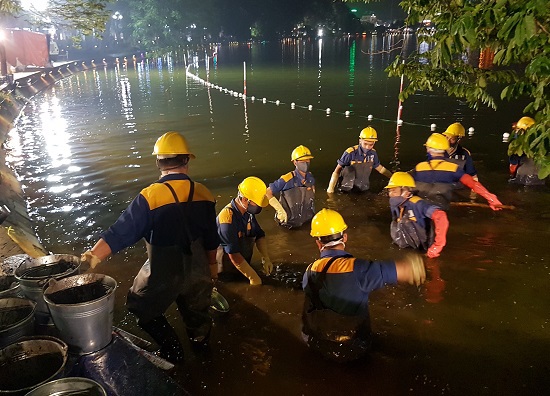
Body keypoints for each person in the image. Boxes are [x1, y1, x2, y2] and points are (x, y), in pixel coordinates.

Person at [81, 131, 219, 364]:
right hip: (198, 269)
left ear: (158, 162)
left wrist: (93, 256)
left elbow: (120, 233)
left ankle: (173, 351)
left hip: (164, 272)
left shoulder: (149, 197)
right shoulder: (204, 193)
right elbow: (211, 238)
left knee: (140, 306)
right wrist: (213, 266)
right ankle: (202, 348)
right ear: (186, 160)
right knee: (197, 312)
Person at [301, 208, 426, 363]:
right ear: (344, 237)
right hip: (353, 348)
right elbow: (405, 270)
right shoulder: (359, 269)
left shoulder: (309, 271)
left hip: (318, 344)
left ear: (318, 243)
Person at [411, 133, 503, 211]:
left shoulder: (419, 167)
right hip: (441, 208)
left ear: (428, 149)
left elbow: (404, 182)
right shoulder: (453, 168)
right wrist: (491, 198)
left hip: (419, 209)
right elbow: (473, 183)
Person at [217, 176, 274, 285]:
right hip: (226, 274)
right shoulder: (227, 219)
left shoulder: (248, 213)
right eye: (256, 203)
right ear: (245, 199)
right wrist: (253, 278)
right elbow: (233, 254)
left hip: (242, 266)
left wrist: (265, 258)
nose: (259, 206)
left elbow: (259, 235)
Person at [385, 172, 449, 258]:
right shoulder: (396, 205)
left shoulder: (417, 204)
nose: (391, 195)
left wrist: (437, 246)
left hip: (421, 251)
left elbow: (441, 216)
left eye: (394, 191)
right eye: (390, 191)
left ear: (406, 192)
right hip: (404, 249)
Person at [327, 126, 392, 193]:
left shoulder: (373, 153)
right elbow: (337, 170)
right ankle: (345, 191)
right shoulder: (350, 152)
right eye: (365, 144)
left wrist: (392, 177)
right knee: (349, 170)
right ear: (360, 141)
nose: (367, 147)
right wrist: (330, 188)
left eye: (371, 144)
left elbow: (379, 168)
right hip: (347, 184)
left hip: (362, 184)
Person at [266, 145, 315, 229]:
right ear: (295, 162)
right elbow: (268, 192)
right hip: (287, 222)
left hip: (306, 220)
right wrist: (280, 211)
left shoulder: (310, 177)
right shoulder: (287, 179)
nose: (306, 163)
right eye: (302, 161)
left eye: (307, 160)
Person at [508, 116, 546, 186]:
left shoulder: (518, 145)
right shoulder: (543, 142)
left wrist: (512, 176)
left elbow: (513, 167)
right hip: (540, 179)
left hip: (522, 178)